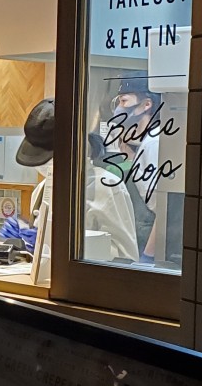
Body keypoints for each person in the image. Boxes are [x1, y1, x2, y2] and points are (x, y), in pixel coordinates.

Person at [16, 97, 138, 261]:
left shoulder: (107, 187)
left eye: (48, 156)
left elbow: (126, 257)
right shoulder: (41, 190)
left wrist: (78, 245)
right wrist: (25, 243)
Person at [107, 79, 164, 260]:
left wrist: (148, 255)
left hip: (147, 245)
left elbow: (161, 208)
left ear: (147, 104)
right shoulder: (143, 142)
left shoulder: (154, 143)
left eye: (124, 101)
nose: (119, 108)